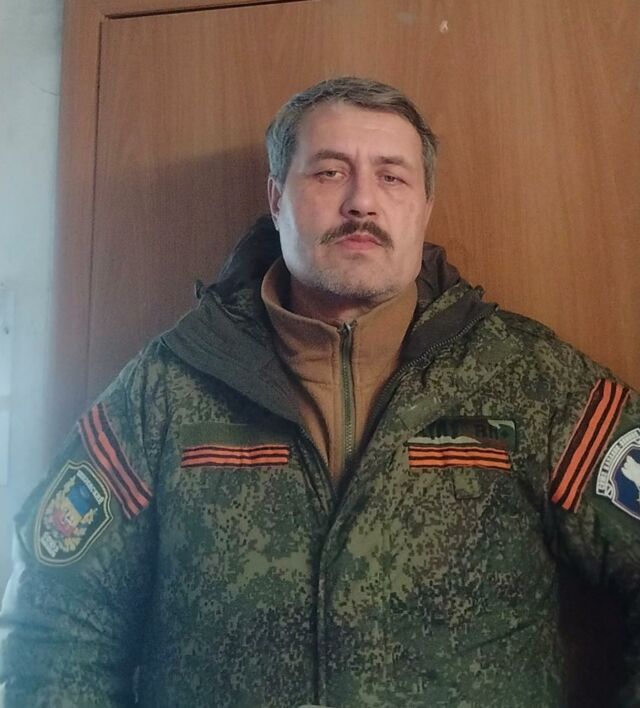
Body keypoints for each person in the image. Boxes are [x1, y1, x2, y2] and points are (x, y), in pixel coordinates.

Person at [0, 76, 639, 707]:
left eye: (392, 177)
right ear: (277, 199)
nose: (362, 202)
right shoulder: (166, 387)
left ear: (424, 207)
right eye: (330, 173)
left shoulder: (529, 379)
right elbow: (54, 627)